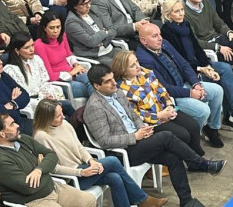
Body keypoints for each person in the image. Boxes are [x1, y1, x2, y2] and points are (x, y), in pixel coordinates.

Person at [82, 65, 224, 207]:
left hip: (140, 140)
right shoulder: (94, 107)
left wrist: (141, 127)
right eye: (108, 81)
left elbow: (133, 115)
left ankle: (187, 201)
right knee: (167, 136)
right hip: (124, 151)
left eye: (113, 78)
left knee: (173, 158)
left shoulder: (117, 93)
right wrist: (135, 136)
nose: (114, 83)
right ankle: (202, 164)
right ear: (97, 86)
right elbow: (105, 141)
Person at [32, 99, 167, 207]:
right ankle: (142, 199)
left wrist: (91, 161)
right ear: (46, 118)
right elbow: (52, 168)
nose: (62, 117)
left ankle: (139, 201)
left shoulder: (65, 124)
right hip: (71, 178)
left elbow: (79, 147)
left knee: (115, 178)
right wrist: (81, 172)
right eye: (58, 116)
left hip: (84, 168)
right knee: (113, 161)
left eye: (62, 113)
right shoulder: (41, 137)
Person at [160, 0, 233, 131]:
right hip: (188, 71)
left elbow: (197, 48)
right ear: (168, 15)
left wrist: (207, 65)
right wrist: (200, 68)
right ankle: (222, 119)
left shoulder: (185, 25)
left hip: (199, 65)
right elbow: (178, 61)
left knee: (226, 69)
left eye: (182, 10)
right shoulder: (167, 32)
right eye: (176, 11)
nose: (181, 14)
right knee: (220, 77)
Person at [135, 22, 225, 145]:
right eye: (155, 36)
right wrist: (190, 93)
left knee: (217, 91)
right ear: (144, 40)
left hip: (185, 84)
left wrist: (196, 84)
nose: (160, 38)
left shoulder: (164, 43)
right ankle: (193, 139)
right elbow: (163, 88)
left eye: (159, 34)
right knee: (203, 111)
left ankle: (212, 129)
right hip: (173, 96)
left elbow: (184, 64)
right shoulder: (144, 59)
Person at [0, 112, 97, 207]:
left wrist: (39, 169)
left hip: (53, 187)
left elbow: (52, 155)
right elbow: (28, 187)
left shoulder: (24, 139)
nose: (17, 125)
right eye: (12, 124)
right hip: (33, 200)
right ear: (2, 134)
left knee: (89, 200)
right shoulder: (0, 160)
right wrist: (46, 171)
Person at [111, 50, 204, 156]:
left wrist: (169, 105)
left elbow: (161, 90)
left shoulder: (145, 72)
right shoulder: (122, 90)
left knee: (193, 126)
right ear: (123, 70)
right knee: (183, 135)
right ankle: (193, 159)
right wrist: (160, 115)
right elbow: (135, 114)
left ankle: (197, 158)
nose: (137, 66)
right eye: (132, 66)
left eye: (137, 61)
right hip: (152, 122)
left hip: (165, 110)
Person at [4, 34, 67, 116]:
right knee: (66, 107)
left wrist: (46, 95)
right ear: (17, 50)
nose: (31, 50)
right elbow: (22, 95)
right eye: (27, 47)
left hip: (44, 100)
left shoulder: (37, 59)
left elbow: (44, 81)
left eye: (32, 45)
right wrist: (43, 100)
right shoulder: (10, 70)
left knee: (65, 109)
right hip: (30, 105)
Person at [33, 11, 90, 101]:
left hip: (73, 73)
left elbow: (69, 54)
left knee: (96, 80)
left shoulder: (62, 36)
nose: (56, 31)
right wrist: (71, 73)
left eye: (58, 27)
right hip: (59, 82)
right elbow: (49, 76)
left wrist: (76, 64)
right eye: (51, 28)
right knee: (90, 88)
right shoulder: (39, 45)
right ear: (44, 28)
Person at [64, 0, 115, 64]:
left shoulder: (93, 9)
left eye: (89, 2)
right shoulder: (71, 22)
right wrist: (104, 32)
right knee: (120, 66)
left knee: (130, 58)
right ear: (74, 6)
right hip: (94, 56)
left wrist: (103, 42)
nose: (88, 6)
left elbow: (112, 29)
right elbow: (91, 42)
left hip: (109, 48)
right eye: (84, 4)